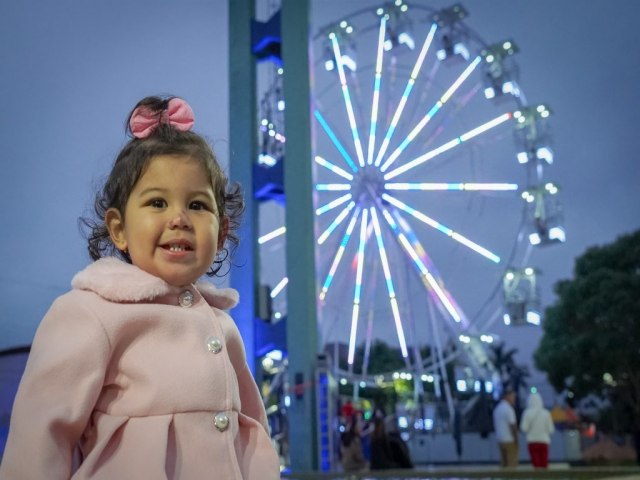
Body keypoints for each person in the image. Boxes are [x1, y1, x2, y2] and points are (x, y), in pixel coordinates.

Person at [0, 96, 280, 479]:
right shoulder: (90, 313)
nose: (179, 218)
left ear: (222, 231)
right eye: (157, 202)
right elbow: (41, 436)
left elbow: (251, 432)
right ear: (119, 229)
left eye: (198, 205)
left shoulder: (222, 325)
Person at [520, 391, 555, 468]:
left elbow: (523, 429)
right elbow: (551, 429)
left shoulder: (527, 413)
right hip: (544, 441)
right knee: (544, 464)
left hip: (532, 441)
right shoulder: (546, 413)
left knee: (536, 465)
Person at [493, 388, 519, 468]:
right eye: (513, 397)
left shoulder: (497, 409)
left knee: (504, 464)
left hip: (500, 440)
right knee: (511, 465)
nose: (514, 399)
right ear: (507, 396)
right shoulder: (509, 409)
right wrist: (516, 440)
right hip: (509, 441)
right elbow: (512, 426)